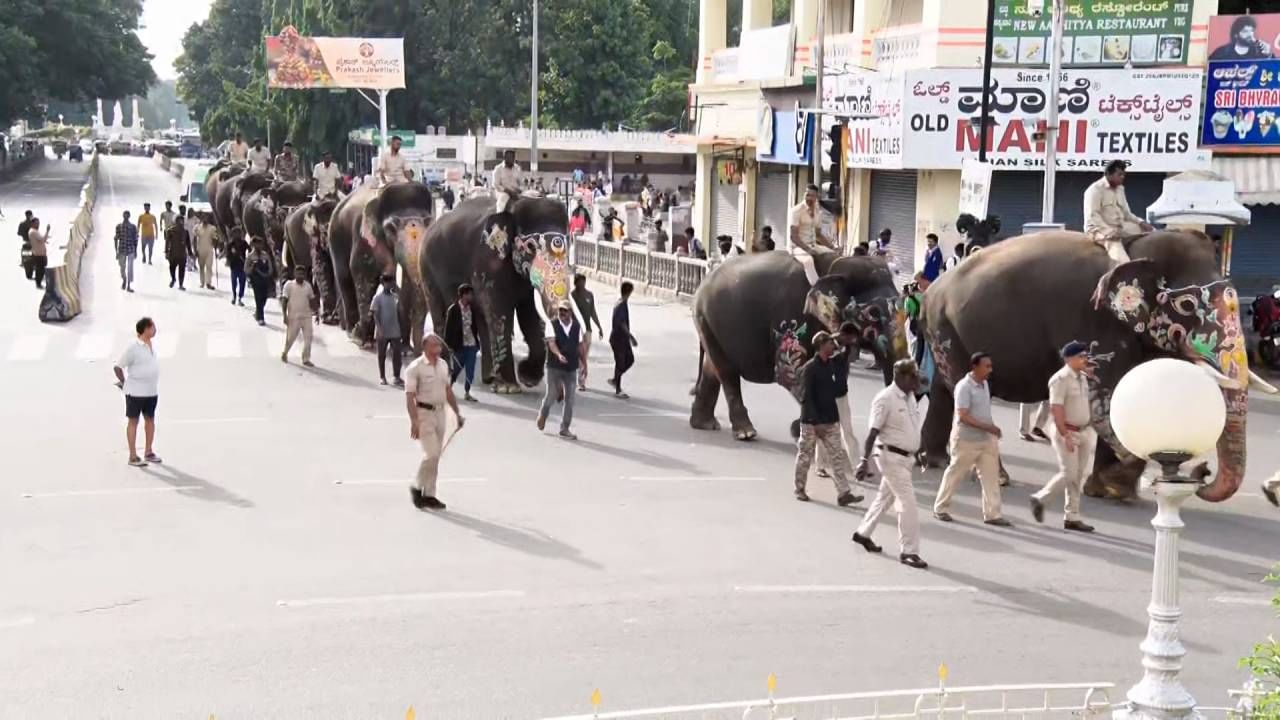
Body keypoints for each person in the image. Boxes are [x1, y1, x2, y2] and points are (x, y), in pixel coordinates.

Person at [852, 359, 927, 569]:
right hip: (890, 457)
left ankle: (863, 533)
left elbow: (913, 427)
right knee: (908, 504)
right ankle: (909, 552)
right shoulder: (885, 399)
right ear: (901, 377)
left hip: (906, 458)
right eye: (913, 377)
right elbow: (872, 433)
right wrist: (863, 461)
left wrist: (920, 450)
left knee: (884, 498)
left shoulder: (911, 397)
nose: (916, 382)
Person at [933, 352, 1009, 526]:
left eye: (990, 366)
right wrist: (989, 427)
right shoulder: (964, 387)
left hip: (986, 440)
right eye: (986, 366)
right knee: (955, 474)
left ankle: (993, 514)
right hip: (966, 440)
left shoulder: (985, 385)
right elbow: (963, 416)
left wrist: (990, 430)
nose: (990, 370)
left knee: (990, 477)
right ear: (975, 367)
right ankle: (940, 507)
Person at [1029, 342, 1097, 532]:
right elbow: (1056, 408)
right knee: (1069, 473)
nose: (1085, 359)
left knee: (1079, 475)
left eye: (1085, 356)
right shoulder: (1060, 379)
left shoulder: (1081, 378)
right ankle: (1040, 499)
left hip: (1084, 431)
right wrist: (1065, 434)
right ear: (1069, 359)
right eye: (1081, 356)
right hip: (1067, 430)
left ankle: (1072, 516)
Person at [793, 332, 864, 507]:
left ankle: (843, 493)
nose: (833, 345)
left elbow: (840, 386)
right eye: (830, 342)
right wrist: (815, 422)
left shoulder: (831, 365)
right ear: (821, 345)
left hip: (830, 419)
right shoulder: (810, 368)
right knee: (804, 457)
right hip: (812, 422)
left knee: (837, 457)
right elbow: (806, 396)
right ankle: (799, 488)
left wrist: (845, 349)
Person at [405, 333, 464, 511]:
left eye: (439, 346)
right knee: (431, 453)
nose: (438, 350)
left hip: (440, 412)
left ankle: (430, 494)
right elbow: (410, 397)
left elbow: (447, 390)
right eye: (434, 346)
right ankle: (417, 486)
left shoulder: (443, 365)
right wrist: (414, 420)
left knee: (437, 455)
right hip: (424, 413)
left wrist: (457, 413)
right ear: (425, 348)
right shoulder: (415, 368)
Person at [113, 317, 162, 467]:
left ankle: (148, 451)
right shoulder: (133, 347)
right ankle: (133, 456)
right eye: (153, 326)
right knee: (133, 421)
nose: (155, 329)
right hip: (135, 392)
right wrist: (124, 383)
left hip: (151, 391)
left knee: (150, 421)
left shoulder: (150, 345)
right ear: (146, 329)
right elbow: (118, 367)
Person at [1084, 159, 1154, 263]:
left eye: (1123, 175)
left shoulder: (1120, 189)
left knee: (1152, 233)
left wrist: (1141, 222)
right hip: (1099, 230)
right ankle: (1123, 274)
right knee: (1120, 256)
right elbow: (1093, 216)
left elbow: (1127, 213)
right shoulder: (1095, 190)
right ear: (1108, 174)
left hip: (1120, 227)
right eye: (1119, 175)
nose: (1122, 177)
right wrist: (1109, 232)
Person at [816, 322, 861, 480]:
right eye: (852, 338)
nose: (854, 342)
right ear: (845, 335)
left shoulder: (845, 346)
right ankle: (820, 466)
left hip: (842, 394)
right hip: (827, 396)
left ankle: (857, 467)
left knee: (848, 431)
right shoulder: (828, 344)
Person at [538, 301, 583, 439]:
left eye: (565, 311)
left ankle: (565, 428)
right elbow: (551, 343)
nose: (562, 313)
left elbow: (579, 347)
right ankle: (543, 414)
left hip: (571, 368)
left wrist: (584, 365)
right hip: (554, 367)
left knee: (570, 399)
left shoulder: (576, 327)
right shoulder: (552, 325)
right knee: (552, 394)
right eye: (560, 311)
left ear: (570, 312)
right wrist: (558, 354)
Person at [444, 284, 486, 401]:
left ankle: (467, 392)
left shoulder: (473, 309)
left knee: (470, 370)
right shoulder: (453, 310)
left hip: (471, 345)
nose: (472, 297)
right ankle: (448, 387)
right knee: (456, 369)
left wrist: (477, 343)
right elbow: (448, 329)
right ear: (464, 295)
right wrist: (449, 345)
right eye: (470, 294)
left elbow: (475, 326)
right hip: (459, 345)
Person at [789, 185, 835, 284]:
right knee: (808, 261)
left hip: (814, 245)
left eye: (812, 196)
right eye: (807, 195)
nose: (809, 198)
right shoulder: (796, 211)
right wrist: (807, 249)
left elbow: (818, 234)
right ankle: (817, 288)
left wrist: (832, 247)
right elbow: (794, 237)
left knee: (833, 255)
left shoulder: (818, 211)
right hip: (798, 247)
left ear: (816, 197)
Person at [571, 274, 604, 392]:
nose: (581, 285)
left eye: (583, 282)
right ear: (575, 283)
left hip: (587, 330)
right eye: (579, 283)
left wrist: (599, 326)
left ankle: (581, 380)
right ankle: (581, 381)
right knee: (580, 356)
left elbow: (592, 312)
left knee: (584, 356)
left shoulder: (589, 295)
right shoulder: (572, 296)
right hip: (576, 331)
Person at [371, 275, 405, 386]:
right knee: (382, 355)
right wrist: (379, 329)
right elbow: (375, 315)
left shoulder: (395, 297)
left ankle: (396, 376)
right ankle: (382, 377)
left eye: (391, 282)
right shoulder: (378, 297)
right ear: (383, 283)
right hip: (382, 330)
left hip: (395, 329)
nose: (390, 284)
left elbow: (400, 312)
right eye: (388, 282)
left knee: (397, 354)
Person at [607, 282, 638, 399]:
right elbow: (622, 324)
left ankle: (615, 379)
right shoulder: (620, 305)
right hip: (618, 338)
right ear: (629, 292)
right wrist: (631, 337)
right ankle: (618, 389)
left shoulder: (622, 303)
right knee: (620, 362)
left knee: (629, 359)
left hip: (622, 338)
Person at [281, 265, 316, 366]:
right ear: (294, 274)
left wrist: (316, 312)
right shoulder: (289, 285)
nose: (300, 275)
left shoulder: (308, 286)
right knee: (291, 338)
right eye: (298, 273)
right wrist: (284, 315)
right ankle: (285, 352)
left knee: (308, 338)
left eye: (302, 274)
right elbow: (284, 300)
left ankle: (306, 359)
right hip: (293, 317)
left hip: (306, 316)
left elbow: (312, 299)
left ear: (305, 275)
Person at [246, 238, 276, 326]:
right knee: (258, 298)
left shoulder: (265, 255)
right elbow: (246, 269)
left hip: (265, 279)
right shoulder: (250, 256)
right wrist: (252, 268)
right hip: (255, 280)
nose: (258, 246)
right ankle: (261, 318)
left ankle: (258, 312)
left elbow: (270, 266)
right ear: (253, 245)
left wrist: (270, 273)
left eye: (260, 244)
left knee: (264, 297)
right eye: (256, 244)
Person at [164, 212, 191, 290]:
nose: (181, 222)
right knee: (172, 268)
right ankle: (173, 279)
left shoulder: (185, 232)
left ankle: (181, 284)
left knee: (182, 270)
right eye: (179, 220)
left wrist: (190, 253)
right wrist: (166, 252)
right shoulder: (170, 231)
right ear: (175, 221)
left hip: (182, 255)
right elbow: (167, 242)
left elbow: (188, 244)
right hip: (173, 254)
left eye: (182, 220)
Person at [114, 210, 139, 292]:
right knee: (122, 267)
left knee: (130, 268)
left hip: (130, 249)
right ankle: (124, 279)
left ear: (129, 216)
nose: (126, 216)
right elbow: (116, 238)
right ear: (123, 216)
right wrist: (116, 251)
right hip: (121, 249)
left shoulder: (133, 227)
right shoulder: (119, 226)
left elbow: (135, 240)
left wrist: (135, 251)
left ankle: (128, 285)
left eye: (127, 215)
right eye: (125, 215)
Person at [193, 214, 218, 290]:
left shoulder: (212, 228)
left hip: (209, 250)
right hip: (200, 250)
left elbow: (215, 238)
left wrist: (216, 246)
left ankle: (208, 283)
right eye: (203, 218)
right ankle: (202, 282)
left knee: (209, 266)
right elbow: (194, 240)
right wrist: (195, 250)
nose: (205, 219)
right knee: (201, 267)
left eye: (206, 218)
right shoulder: (197, 227)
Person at [226, 227, 249, 306]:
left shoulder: (244, 243)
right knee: (234, 283)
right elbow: (228, 255)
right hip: (234, 266)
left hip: (242, 265)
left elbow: (250, 250)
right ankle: (234, 296)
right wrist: (229, 260)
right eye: (236, 233)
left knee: (242, 283)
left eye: (239, 233)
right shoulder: (230, 244)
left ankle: (240, 298)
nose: (238, 235)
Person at [26, 217, 49, 288]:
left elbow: (40, 240)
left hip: (39, 253)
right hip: (39, 254)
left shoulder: (34, 231)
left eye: (38, 223)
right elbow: (42, 239)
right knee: (40, 270)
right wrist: (47, 230)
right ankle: (38, 283)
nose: (38, 225)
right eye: (36, 223)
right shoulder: (33, 231)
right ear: (32, 224)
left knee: (41, 269)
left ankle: (39, 282)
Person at [17, 210, 34, 281]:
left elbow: (18, 233)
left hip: (25, 241)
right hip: (32, 242)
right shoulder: (33, 223)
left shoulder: (22, 223)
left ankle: (22, 261)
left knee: (23, 250)